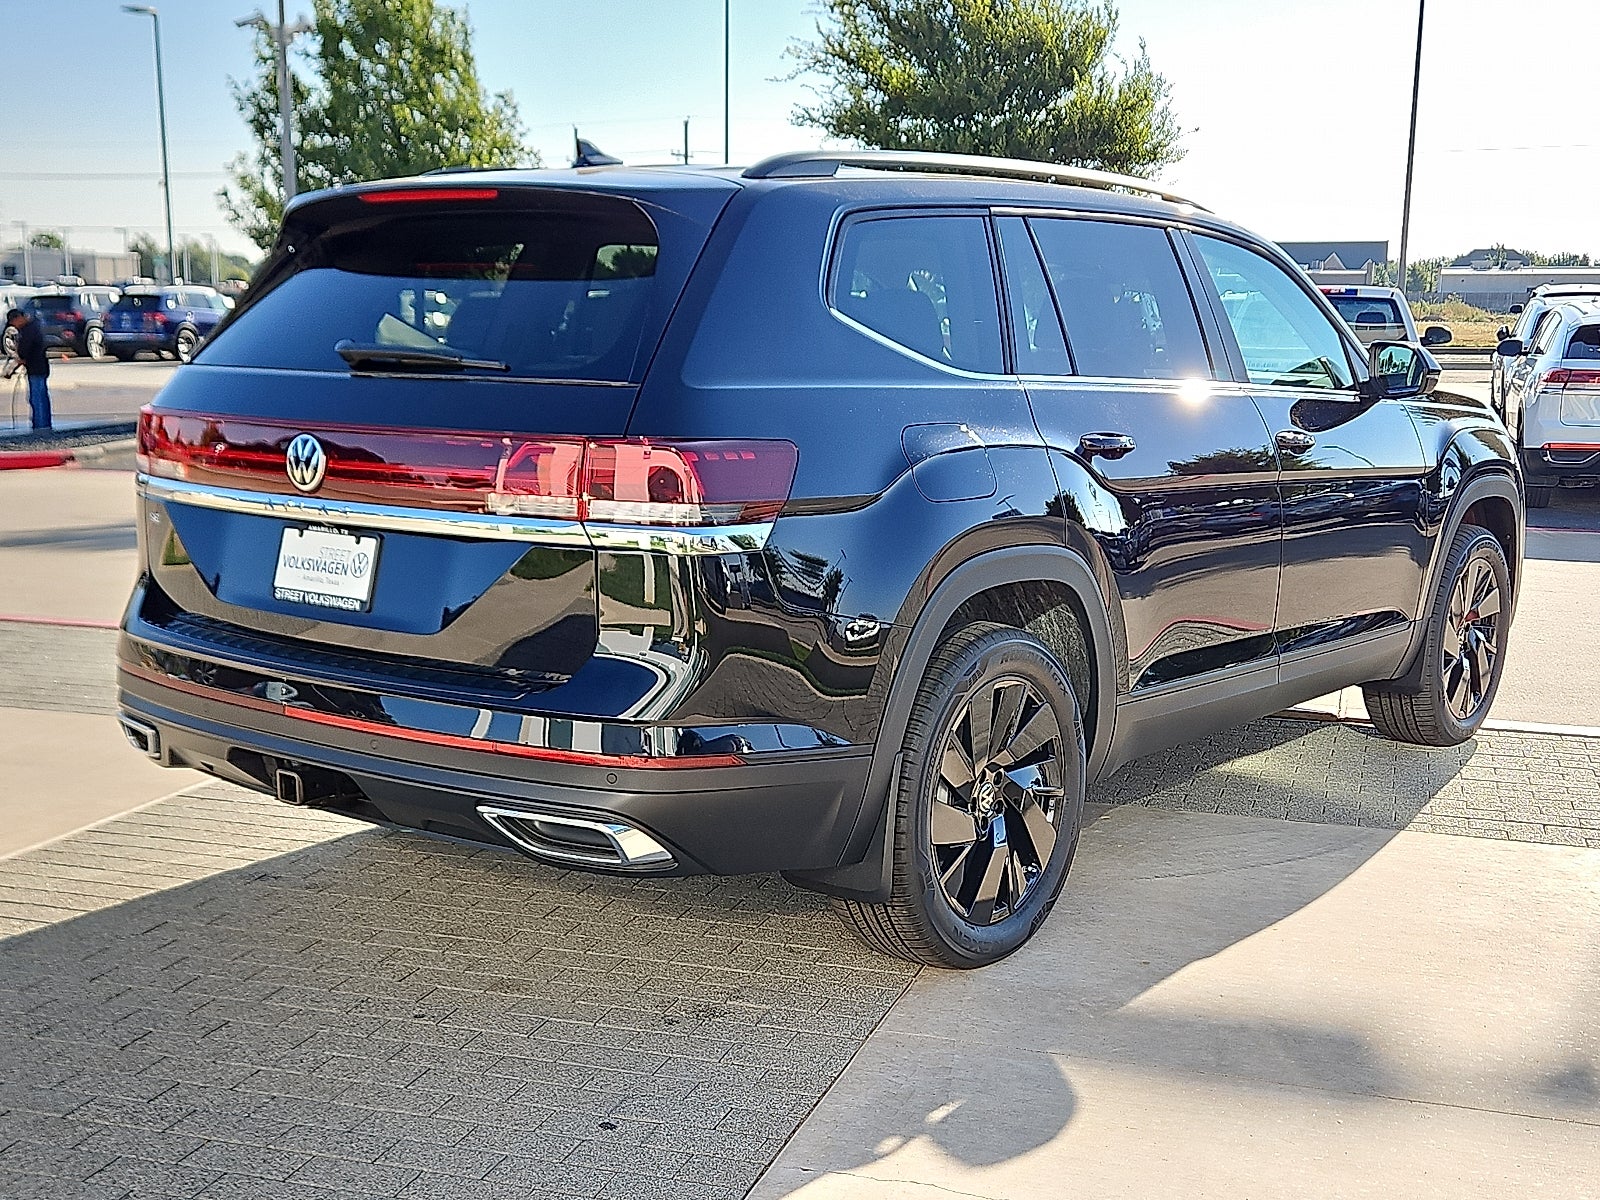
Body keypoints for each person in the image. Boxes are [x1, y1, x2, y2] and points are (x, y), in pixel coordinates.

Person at [5, 308, 51, 430]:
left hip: (36, 368)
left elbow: (24, 350)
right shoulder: (32, 327)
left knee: (37, 398)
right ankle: (44, 423)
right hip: (39, 367)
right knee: (40, 396)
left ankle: (41, 425)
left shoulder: (28, 330)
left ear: (18, 318)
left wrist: (18, 361)